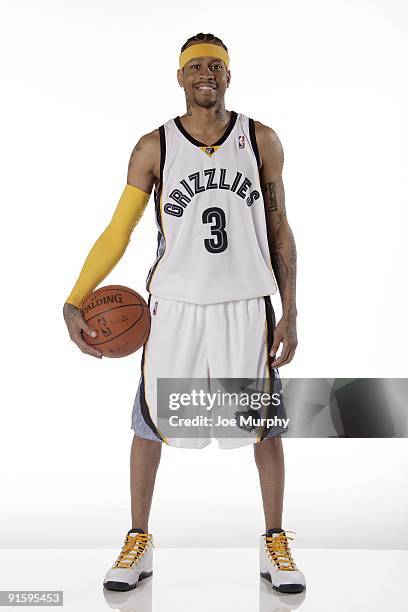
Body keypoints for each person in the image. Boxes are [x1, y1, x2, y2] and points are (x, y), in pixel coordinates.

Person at [63, 32, 305, 595]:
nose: (205, 74)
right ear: (179, 77)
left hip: (246, 303)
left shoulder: (260, 139)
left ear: (228, 75)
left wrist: (289, 309)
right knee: (149, 420)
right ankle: (137, 540)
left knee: (265, 426)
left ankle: (274, 541)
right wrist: (77, 295)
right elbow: (119, 230)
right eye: (194, 65)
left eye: (215, 66)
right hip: (173, 307)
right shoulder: (155, 146)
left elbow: (278, 228)